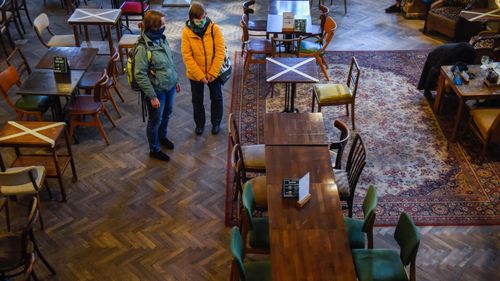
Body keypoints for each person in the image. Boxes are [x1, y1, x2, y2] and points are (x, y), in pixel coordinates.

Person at [135, 10, 180, 161]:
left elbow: (170, 61)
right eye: (162, 24)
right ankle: (154, 149)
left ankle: (162, 137)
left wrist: (176, 80)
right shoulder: (142, 48)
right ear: (154, 26)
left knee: (166, 114)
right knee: (155, 121)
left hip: (170, 86)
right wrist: (152, 96)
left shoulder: (162, 38)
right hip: (157, 91)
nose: (165, 26)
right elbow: (140, 74)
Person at [181, 1, 226, 135]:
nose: (201, 20)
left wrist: (213, 73)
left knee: (217, 98)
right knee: (197, 101)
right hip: (196, 75)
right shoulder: (186, 33)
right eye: (198, 18)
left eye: (203, 16)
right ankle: (200, 125)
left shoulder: (214, 29)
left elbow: (220, 52)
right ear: (191, 19)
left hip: (214, 72)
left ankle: (216, 123)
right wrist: (200, 76)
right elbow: (187, 57)